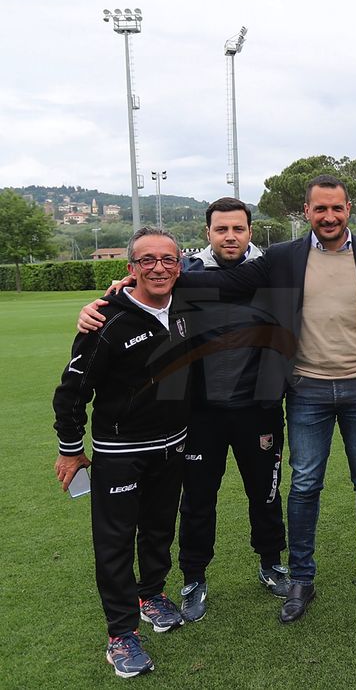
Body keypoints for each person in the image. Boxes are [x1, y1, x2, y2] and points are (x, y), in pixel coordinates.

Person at [170, 175, 356, 623]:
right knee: (303, 485)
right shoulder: (282, 258)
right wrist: (141, 282)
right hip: (303, 391)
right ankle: (299, 578)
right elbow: (226, 283)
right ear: (306, 212)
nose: (328, 216)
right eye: (319, 209)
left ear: (348, 208)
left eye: (336, 208)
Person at [78, 198, 290, 622]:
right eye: (221, 230)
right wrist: (105, 300)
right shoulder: (182, 274)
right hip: (200, 413)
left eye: (239, 229)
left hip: (258, 408)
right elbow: (142, 288)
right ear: (207, 233)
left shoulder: (276, 272)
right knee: (196, 500)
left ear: (250, 231)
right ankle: (194, 575)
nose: (230, 236)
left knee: (264, 493)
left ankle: (270, 563)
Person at [52, 227, 192, 678]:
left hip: (172, 445)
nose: (159, 268)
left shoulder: (187, 308)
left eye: (167, 259)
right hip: (120, 451)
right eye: (147, 260)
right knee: (114, 543)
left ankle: (151, 595)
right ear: (130, 269)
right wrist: (71, 451)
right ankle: (120, 635)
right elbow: (71, 393)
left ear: (180, 265)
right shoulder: (105, 319)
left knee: (158, 528)